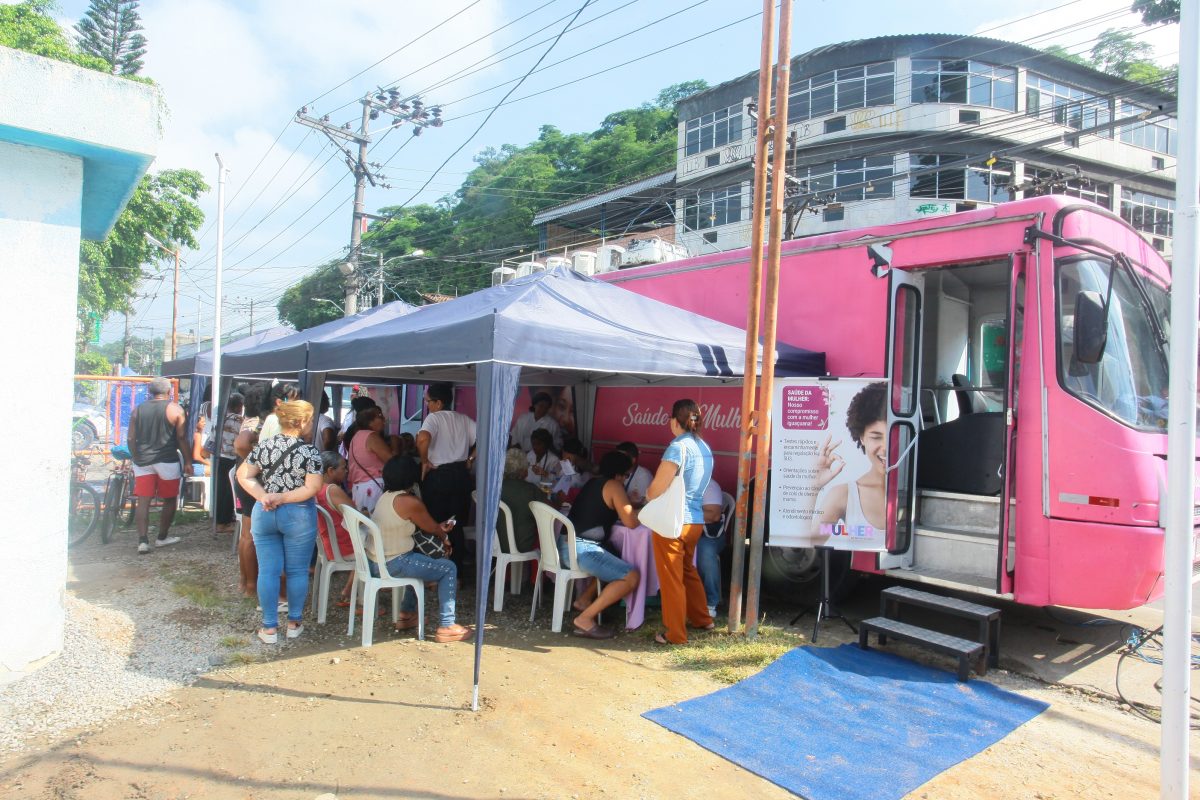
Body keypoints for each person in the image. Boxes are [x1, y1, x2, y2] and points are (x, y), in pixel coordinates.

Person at [237, 399, 323, 644]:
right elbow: (313, 487)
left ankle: (269, 628)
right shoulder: (309, 451)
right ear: (302, 421)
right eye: (311, 419)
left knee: (268, 571)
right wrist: (283, 497)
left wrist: (264, 496)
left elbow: (244, 476)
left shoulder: (264, 446)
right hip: (297, 514)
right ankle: (294, 623)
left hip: (264, 512)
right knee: (297, 571)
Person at [371, 456, 473, 643]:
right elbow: (433, 529)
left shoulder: (384, 497)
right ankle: (447, 625)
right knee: (448, 568)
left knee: (419, 560)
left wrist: (438, 529)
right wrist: (445, 538)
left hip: (377, 562)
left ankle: (407, 614)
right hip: (396, 562)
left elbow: (429, 526)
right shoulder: (409, 501)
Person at [646, 399, 714, 645]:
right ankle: (703, 618)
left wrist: (647, 495)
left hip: (672, 521)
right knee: (687, 570)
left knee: (671, 577)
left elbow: (657, 488)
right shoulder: (704, 447)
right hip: (694, 521)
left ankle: (674, 633)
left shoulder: (677, 447)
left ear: (674, 421)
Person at [561, 450, 641, 639]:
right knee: (631, 577)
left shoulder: (592, 483)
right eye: (626, 475)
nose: (626, 479)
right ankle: (585, 619)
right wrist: (645, 509)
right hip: (583, 550)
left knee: (613, 553)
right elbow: (631, 522)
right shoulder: (614, 486)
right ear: (619, 474)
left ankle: (584, 599)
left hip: (566, 546)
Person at [809, 381, 887, 541]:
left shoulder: (918, 491)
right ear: (862, 438)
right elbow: (809, 544)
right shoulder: (845, 494)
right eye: (876, 437)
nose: (885, 447)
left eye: (895, 435)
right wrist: (813, 488)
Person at [417, 382, 476, 574]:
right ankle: (456, 572)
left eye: (428, 402)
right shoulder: (464, 419)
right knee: (455, 524)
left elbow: (423, 438)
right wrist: (470, 458)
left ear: (439, 403)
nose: (427, 406)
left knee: (434, 523)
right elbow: (486, 437)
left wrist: (424, 460)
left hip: (439, 476)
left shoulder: (433, 419)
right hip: (460, 475)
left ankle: (435, 571)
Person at [127, 377, 191, 555]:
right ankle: (162, 537)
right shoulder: (175, 410)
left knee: (143, 500)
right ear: (169, 392)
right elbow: (181, 438)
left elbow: (131, 438)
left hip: (142, 461)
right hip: (167, 460)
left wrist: (135, 455)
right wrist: (187, 461)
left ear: (150, 392)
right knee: (169, 499)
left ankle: (143, 541)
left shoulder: (137, 410)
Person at [314, 450, 356, 606]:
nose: (346, 471)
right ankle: (362, 601)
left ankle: (348, 590)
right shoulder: (332, 490)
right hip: (343, 546)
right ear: (330, 470)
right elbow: (356, 516)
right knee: (374, 548)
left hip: (327, 545)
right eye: (343, 468)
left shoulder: (314, 488)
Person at [203, 391, 244, 534]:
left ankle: (219, 521)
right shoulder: (240, 420)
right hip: (234, 458)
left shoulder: (220, 419)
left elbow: (213, 439)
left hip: (220, 457)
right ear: (239, 406)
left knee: (221, 489)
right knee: (229, 491)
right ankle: (224, 522)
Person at [345, 406, 397, 515]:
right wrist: (395, 446)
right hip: (372, 487)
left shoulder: (357, 436)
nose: (384, 419)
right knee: (375, 522)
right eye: (379, 416)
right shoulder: (371, 436)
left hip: (360, 487)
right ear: (370, 422)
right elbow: (392, 461)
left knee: (364, 525)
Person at [499, 447, 541, 553]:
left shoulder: (495, 488)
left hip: (495, 543)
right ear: (522, 470)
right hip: (522, 544)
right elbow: (549, 512)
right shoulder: (530, 490)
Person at [697, 476, 726, 619]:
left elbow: (714, 515)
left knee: (705, 551)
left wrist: (684, 512)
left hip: (708, 535)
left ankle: (710, 602)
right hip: (684, 531)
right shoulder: (678, 483)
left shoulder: (710, 486)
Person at [615, 441, 653, 506]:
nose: (618, 460)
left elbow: (638, 504)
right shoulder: (615, 471)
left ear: (633, 460)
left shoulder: (644, 475)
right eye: (616, 456)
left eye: (621, 457)